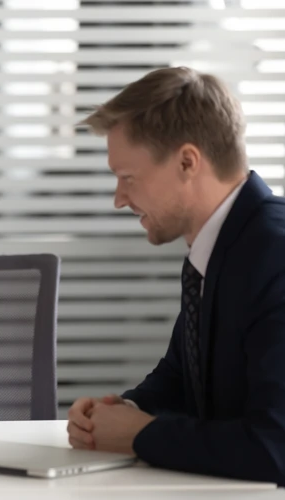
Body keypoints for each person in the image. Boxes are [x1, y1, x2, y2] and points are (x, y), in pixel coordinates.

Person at [67, 66, 285, 484]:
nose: (119, 199)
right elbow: (182, 379)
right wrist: (118, 414)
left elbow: (275, 447)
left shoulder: (274, 257)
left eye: (128, 178)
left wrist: (142, 435)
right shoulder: (221, 247)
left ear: (187, 161)